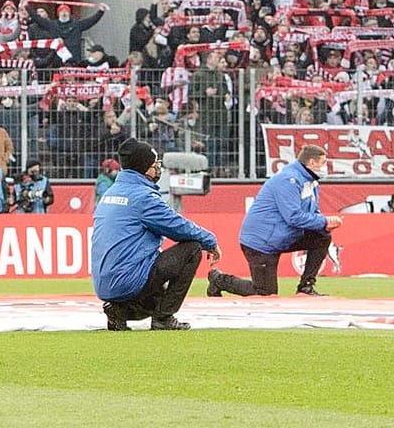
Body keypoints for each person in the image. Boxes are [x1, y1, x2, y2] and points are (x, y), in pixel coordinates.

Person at [91, 139, 220, 331]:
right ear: (144, 168)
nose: (158, 168)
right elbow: (179, 227)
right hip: (130, 281)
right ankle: (164, 317)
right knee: (193, 248)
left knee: (153, 287)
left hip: (104, 285)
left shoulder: (110, 193)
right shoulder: (143, 198)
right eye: (154, 164)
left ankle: (119, 310)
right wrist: (210, 240)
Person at [207, 144, 341, 298]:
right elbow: (293, 217)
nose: (325, 167)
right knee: (265, 293)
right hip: (261, 242)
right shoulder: (288, 180)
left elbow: (311, 211)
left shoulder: (311, 182)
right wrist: (324, 221)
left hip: (280, 237)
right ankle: (219, 280)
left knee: (322, 236)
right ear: (311, 163)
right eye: (323, 163)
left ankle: (306, 287)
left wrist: (323, 224)